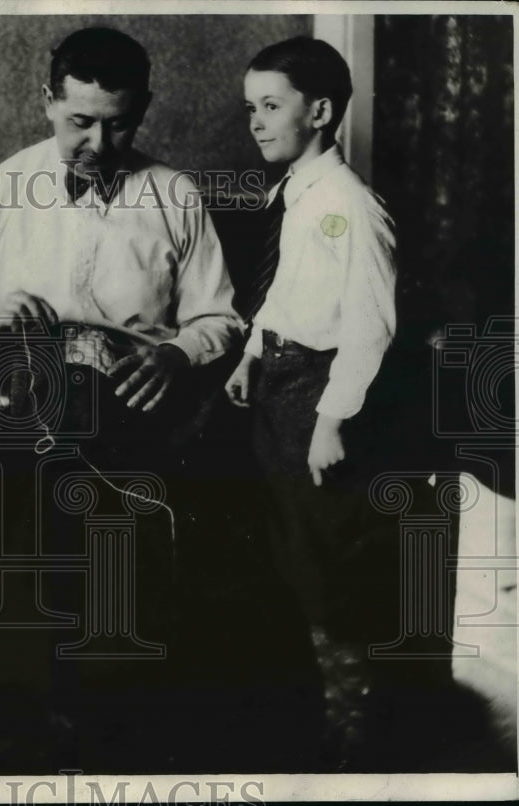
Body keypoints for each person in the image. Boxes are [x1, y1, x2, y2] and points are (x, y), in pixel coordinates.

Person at [0, 27, 242, 452]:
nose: (99, 145)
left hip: (130, 402)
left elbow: (220, 318)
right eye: (81, 122)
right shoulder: (4, 186)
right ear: (48, 102)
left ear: (143, 109)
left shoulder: (177, 196)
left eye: (118, 124)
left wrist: (177, 354)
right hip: (23, 393)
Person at [224, 36, 399, 769]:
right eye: (251, 108)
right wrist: (249, 353)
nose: (256, 122)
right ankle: (310, 723)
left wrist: (331, 420)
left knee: (329, 563)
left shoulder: (352, 207)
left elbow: (370, 323)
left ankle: (355, 740)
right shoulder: (292, 192)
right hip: (276, 382)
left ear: (320, 111)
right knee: (291, 552)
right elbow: (283, 291)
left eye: (272, 106)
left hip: (317, 394)